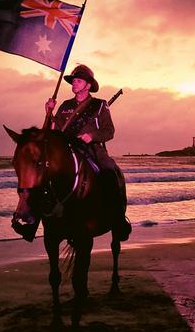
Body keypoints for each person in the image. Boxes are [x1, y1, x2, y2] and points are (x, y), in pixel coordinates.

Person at [45, 64, 132, 241]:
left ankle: (117, 218)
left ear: (88, 85)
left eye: (78, 80)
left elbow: (109, 131)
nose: (74, 83)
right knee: (43, 174)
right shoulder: (65, 105)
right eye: (73, 81)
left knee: (109, 170)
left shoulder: (100, 105)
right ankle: (36, 221)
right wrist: (48, 113)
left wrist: (91, 135)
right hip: (68, 148)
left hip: (93, 148)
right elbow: (52, 131)